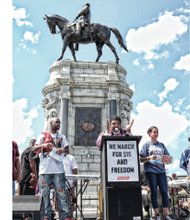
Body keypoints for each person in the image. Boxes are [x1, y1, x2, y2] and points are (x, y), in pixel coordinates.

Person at [33, 117, 71, 220]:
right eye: (57, 122)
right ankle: (47, 216)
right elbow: (34, 149)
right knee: (45, 194)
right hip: (45, 170)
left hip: (58, 170)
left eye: (60, 122)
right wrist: (44, 145)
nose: (59, 124)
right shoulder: (43, 135)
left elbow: (67, 150)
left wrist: (61, 150)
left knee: (61, 194)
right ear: (50, 123)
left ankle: (65, 216)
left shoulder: (62, 137)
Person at [139, 126, 173, 220]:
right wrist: (149, 158)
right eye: (154, 132)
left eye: (157, 132)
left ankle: (166, 214)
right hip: (150, 170)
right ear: (149, 134)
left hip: (161, 171)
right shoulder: (146, 145)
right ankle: (156, 214)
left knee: (164, 191)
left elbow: (168, 157)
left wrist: (167, 159)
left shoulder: (161, 145)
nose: (156, 134)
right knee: (153, 191)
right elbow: (141, 159)